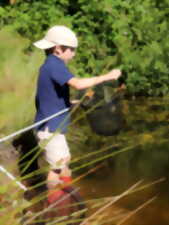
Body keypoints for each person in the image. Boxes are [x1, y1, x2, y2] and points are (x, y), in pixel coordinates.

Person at [33, 25, 121, 203]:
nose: (73, 54)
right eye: (72, 50)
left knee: (64, 164)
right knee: (57, 168)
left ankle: (65, 203)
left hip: (52, 126)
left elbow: (45, 97)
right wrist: (108, 76)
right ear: (58, 49)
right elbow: (78, 84)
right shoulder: (53, 65)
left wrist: (68, 104)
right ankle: (56, 209)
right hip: (50, 128)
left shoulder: (51, 65)